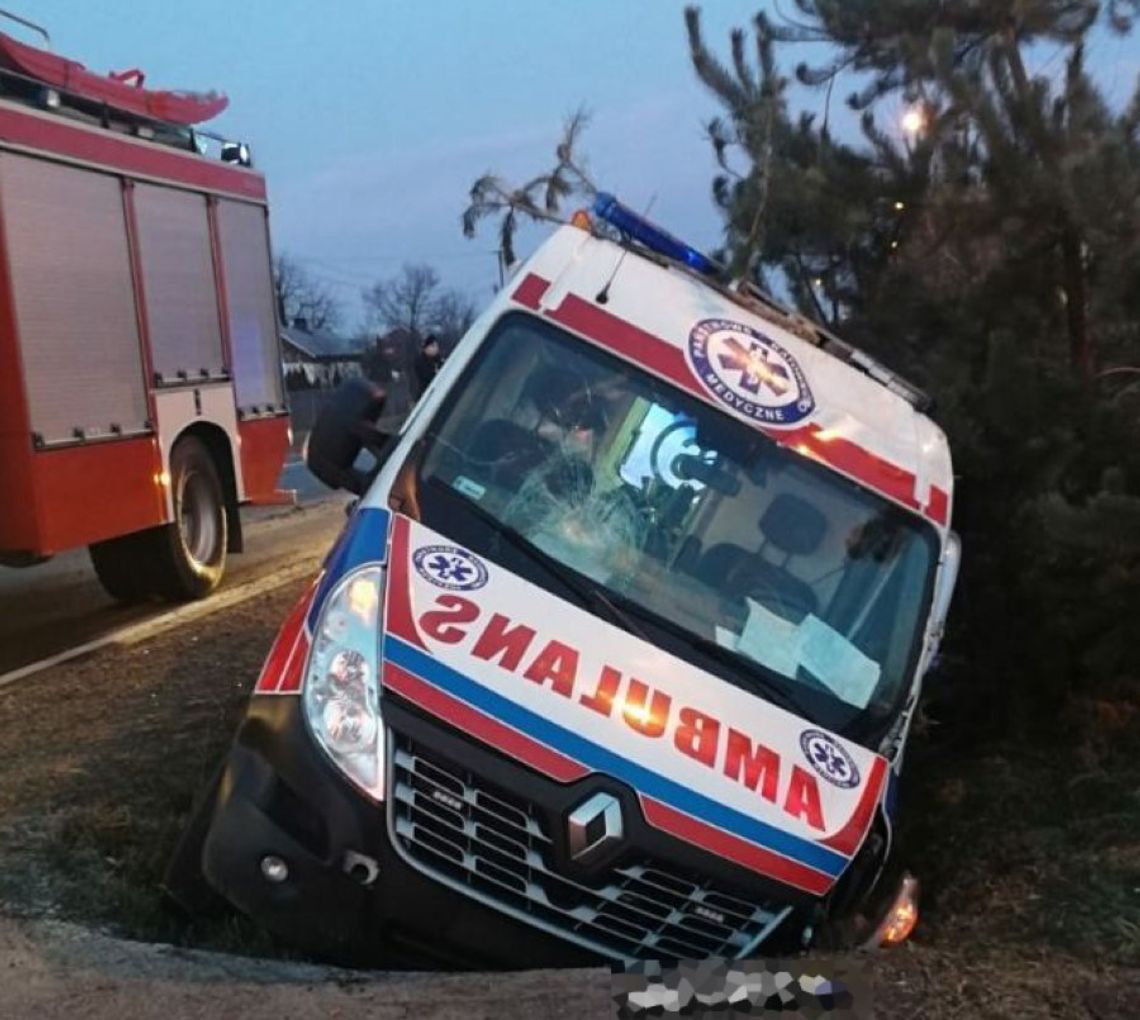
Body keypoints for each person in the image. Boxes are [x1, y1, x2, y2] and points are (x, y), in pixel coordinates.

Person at [412, 333, 444, 400]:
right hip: (426, 395)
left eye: (436, 346)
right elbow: (427, 376)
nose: (436, 348)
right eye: (433, 346)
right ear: (426, 348)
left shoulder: (439, 360)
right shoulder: (420, 362)